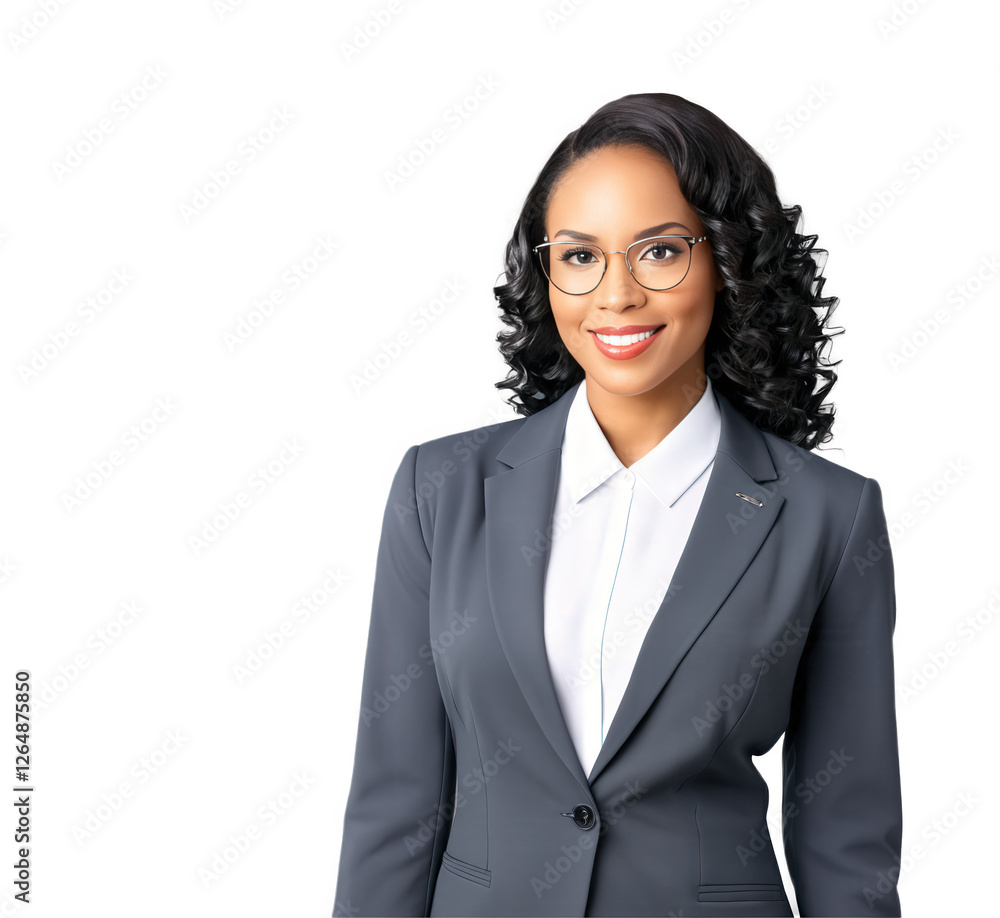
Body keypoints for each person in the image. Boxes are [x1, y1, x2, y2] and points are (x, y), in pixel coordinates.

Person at [332, 92, 902, 918]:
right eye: (580, 256)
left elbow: (845, 837)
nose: (617, 295)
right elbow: (395, 808)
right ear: (545, 273)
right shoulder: (440, 491)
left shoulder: (828, 517)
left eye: (661, 252)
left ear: (729, 262)